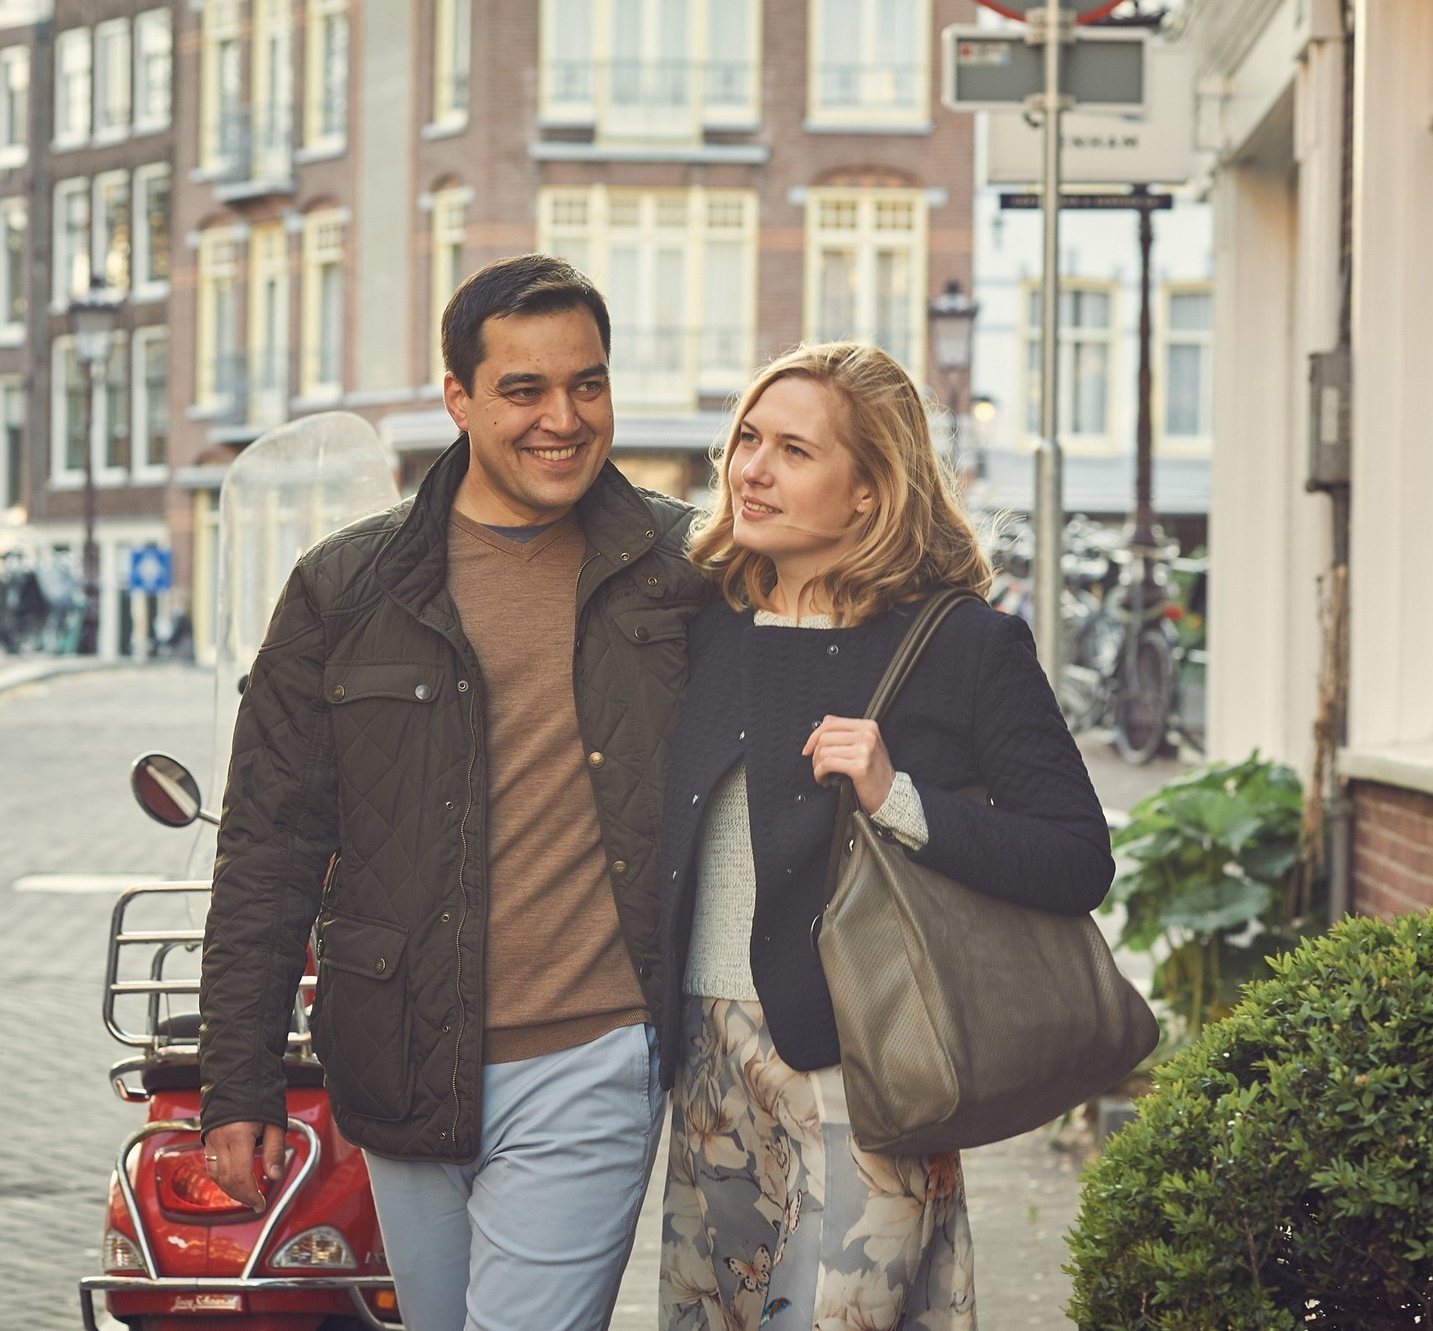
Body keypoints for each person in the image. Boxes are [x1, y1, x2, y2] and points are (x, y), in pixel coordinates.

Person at [198, 254, 708, 1331]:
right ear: (458, 399)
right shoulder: (345, 587)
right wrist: (235, 1086)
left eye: (588, 383)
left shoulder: (682, 566)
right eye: (523, 389)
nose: (561, 418)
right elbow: (269, 846)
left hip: (595, 1049)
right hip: (399, 1051)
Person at [654, 343, 1115, 1330]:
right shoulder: (702, 627)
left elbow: (1077, 856)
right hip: (708, 1062)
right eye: (745, 438)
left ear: (868, 490)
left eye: (791, 450)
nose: (751, 469)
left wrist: (896, 794)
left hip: (865, 1060)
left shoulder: (961, 644)